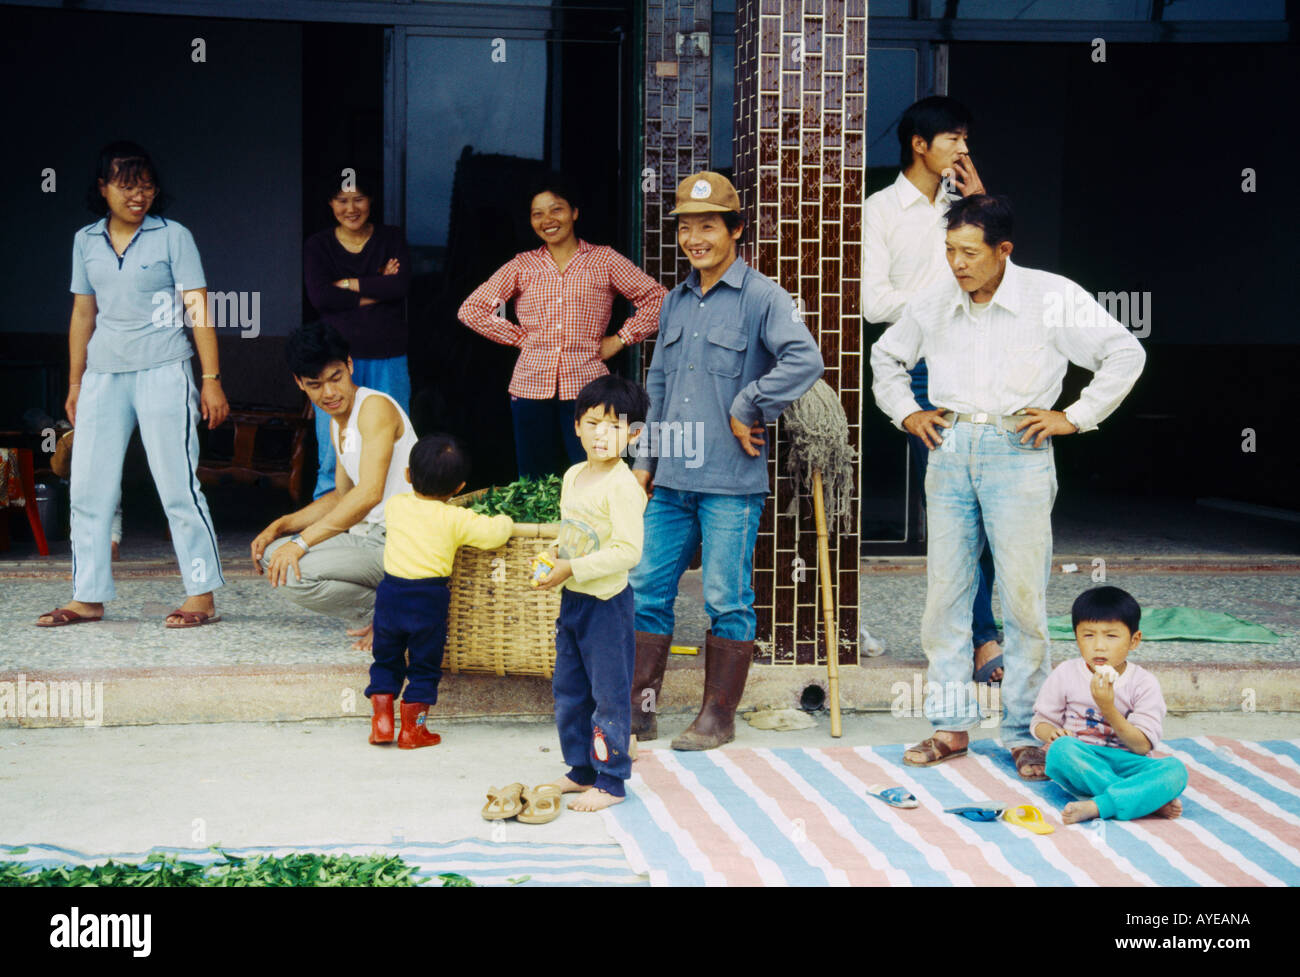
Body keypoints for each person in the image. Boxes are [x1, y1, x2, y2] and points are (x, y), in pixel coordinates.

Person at [870, 194, 1146, 780]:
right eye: (948, 251)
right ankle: (948, 726)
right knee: (945, 593)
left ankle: (1027, 732)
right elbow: (886, 357)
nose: (957, 263)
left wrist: (1075, 415)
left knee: (1023, 600)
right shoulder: (936, 299)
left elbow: (1124, 352)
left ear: (1004, 251)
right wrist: (906, 413)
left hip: (1018, 449)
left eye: (969, 252)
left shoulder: (1050, 296)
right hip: (948, 449)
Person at [628, 172, 824, 752]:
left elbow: (804, 360)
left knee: (726, 598)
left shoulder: (764, 297)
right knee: (645, 589)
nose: (695, 238)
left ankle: (717, 717)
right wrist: (645, 460)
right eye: (686, 228)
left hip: (731, 481)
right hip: (671, 481)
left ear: (736, 230)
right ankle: (640, 710)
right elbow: (657, 382)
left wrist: (750, 402)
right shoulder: (674, 300)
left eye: (707, 226)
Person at [37, 141, 228, 629]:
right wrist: (75, 382)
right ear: (102, 188)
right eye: (125, 184)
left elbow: (199, 308)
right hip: (103, 376)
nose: (137, 193)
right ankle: (87, 597)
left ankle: (201, 596)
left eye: (145, 183)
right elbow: (83, 312)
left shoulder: (173, 236)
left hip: (164, 369)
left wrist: (211, 380)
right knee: (88, 488)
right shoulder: (86, 240)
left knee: (177, 486)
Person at [863, 96, 1003, 684]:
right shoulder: (881, 210)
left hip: (984, 362)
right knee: (959, 505)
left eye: (965, 139)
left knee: (996, 499)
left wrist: (980, 200)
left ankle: (986, 634)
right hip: (919, 367)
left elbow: (1001, 275)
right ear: (920, 145)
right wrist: (941, 302)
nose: (963, 150)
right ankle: (978, 638)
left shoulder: (965, 208)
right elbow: (873, 303)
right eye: (953, 139)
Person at [458, 175, 666, 479]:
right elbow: (471, 309)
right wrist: (520, 338)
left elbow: (658, 298)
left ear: (574, 212)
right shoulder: (522, 265)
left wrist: (621, 338)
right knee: (534, 480)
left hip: (588, 388)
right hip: (530, 387)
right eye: (537, 213)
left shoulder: (604, 259)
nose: (547, 220)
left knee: (593, 474)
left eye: (556, 209)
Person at [251, 324, 416, 651]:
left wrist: (300, 542)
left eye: (336, 378)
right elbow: (341, 496)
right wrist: (280, 526)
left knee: (294, 569)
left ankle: (392, 612)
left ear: (350, 366)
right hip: (366, 538)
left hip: (399, 541)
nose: (329, 393)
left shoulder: (374, 408)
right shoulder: (338, 422)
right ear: (299, 383)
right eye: (315, 384)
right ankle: (388, 608)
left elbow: (368, 493)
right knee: (274, 557)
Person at [534, 375, 648, 811]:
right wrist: (553, 556)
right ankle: (581, 769)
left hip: (606, 606)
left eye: (616, 426)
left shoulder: (623, 486)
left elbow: (627, 551)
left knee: (608, 694)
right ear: (577, 425)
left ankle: (612, 781)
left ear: (633, 435)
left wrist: (571, 566)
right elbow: (573, 533)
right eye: (594, 423)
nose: (603, 434)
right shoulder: (574, 475)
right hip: (574, 600)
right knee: (569, 689)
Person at [365, 434, 513, 749]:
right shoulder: (455, 518)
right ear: (459, 488)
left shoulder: (396, 506)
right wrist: (505, 519)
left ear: (407, 475)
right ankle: (412, 731)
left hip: (390, 594)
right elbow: (495, 534)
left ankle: (381, 723)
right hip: (427, 600)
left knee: (386, 658)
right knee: (424, 664)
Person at [1033, 586, 1187, 822]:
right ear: (1076, 637)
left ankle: (1100, 805)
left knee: (1175, 771)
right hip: (1082, 759)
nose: (1099, 646)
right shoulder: (1066, 673)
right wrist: (1053, 734)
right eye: (1088, 635)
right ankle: (1142, 800)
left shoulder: (1143, 683)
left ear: (1134, 640)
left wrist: (1108, 708)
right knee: (1060, 751)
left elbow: (1141, 747)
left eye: (1111, 636)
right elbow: (1040, 723)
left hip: (1127, 762)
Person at [303, 169, 412, 498]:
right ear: (331, 203)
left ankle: (394, 518)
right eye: (342, 200)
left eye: (359, 199)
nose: (351, 208)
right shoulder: (318, 245)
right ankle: (330, 518)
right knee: (332, 446)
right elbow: (321, 297)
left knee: (394, 440)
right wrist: (377, 284)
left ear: (371, 200)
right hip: (334, 362)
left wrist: (348, 284)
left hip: (388, 356)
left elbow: (401, 286)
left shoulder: (390, 238)